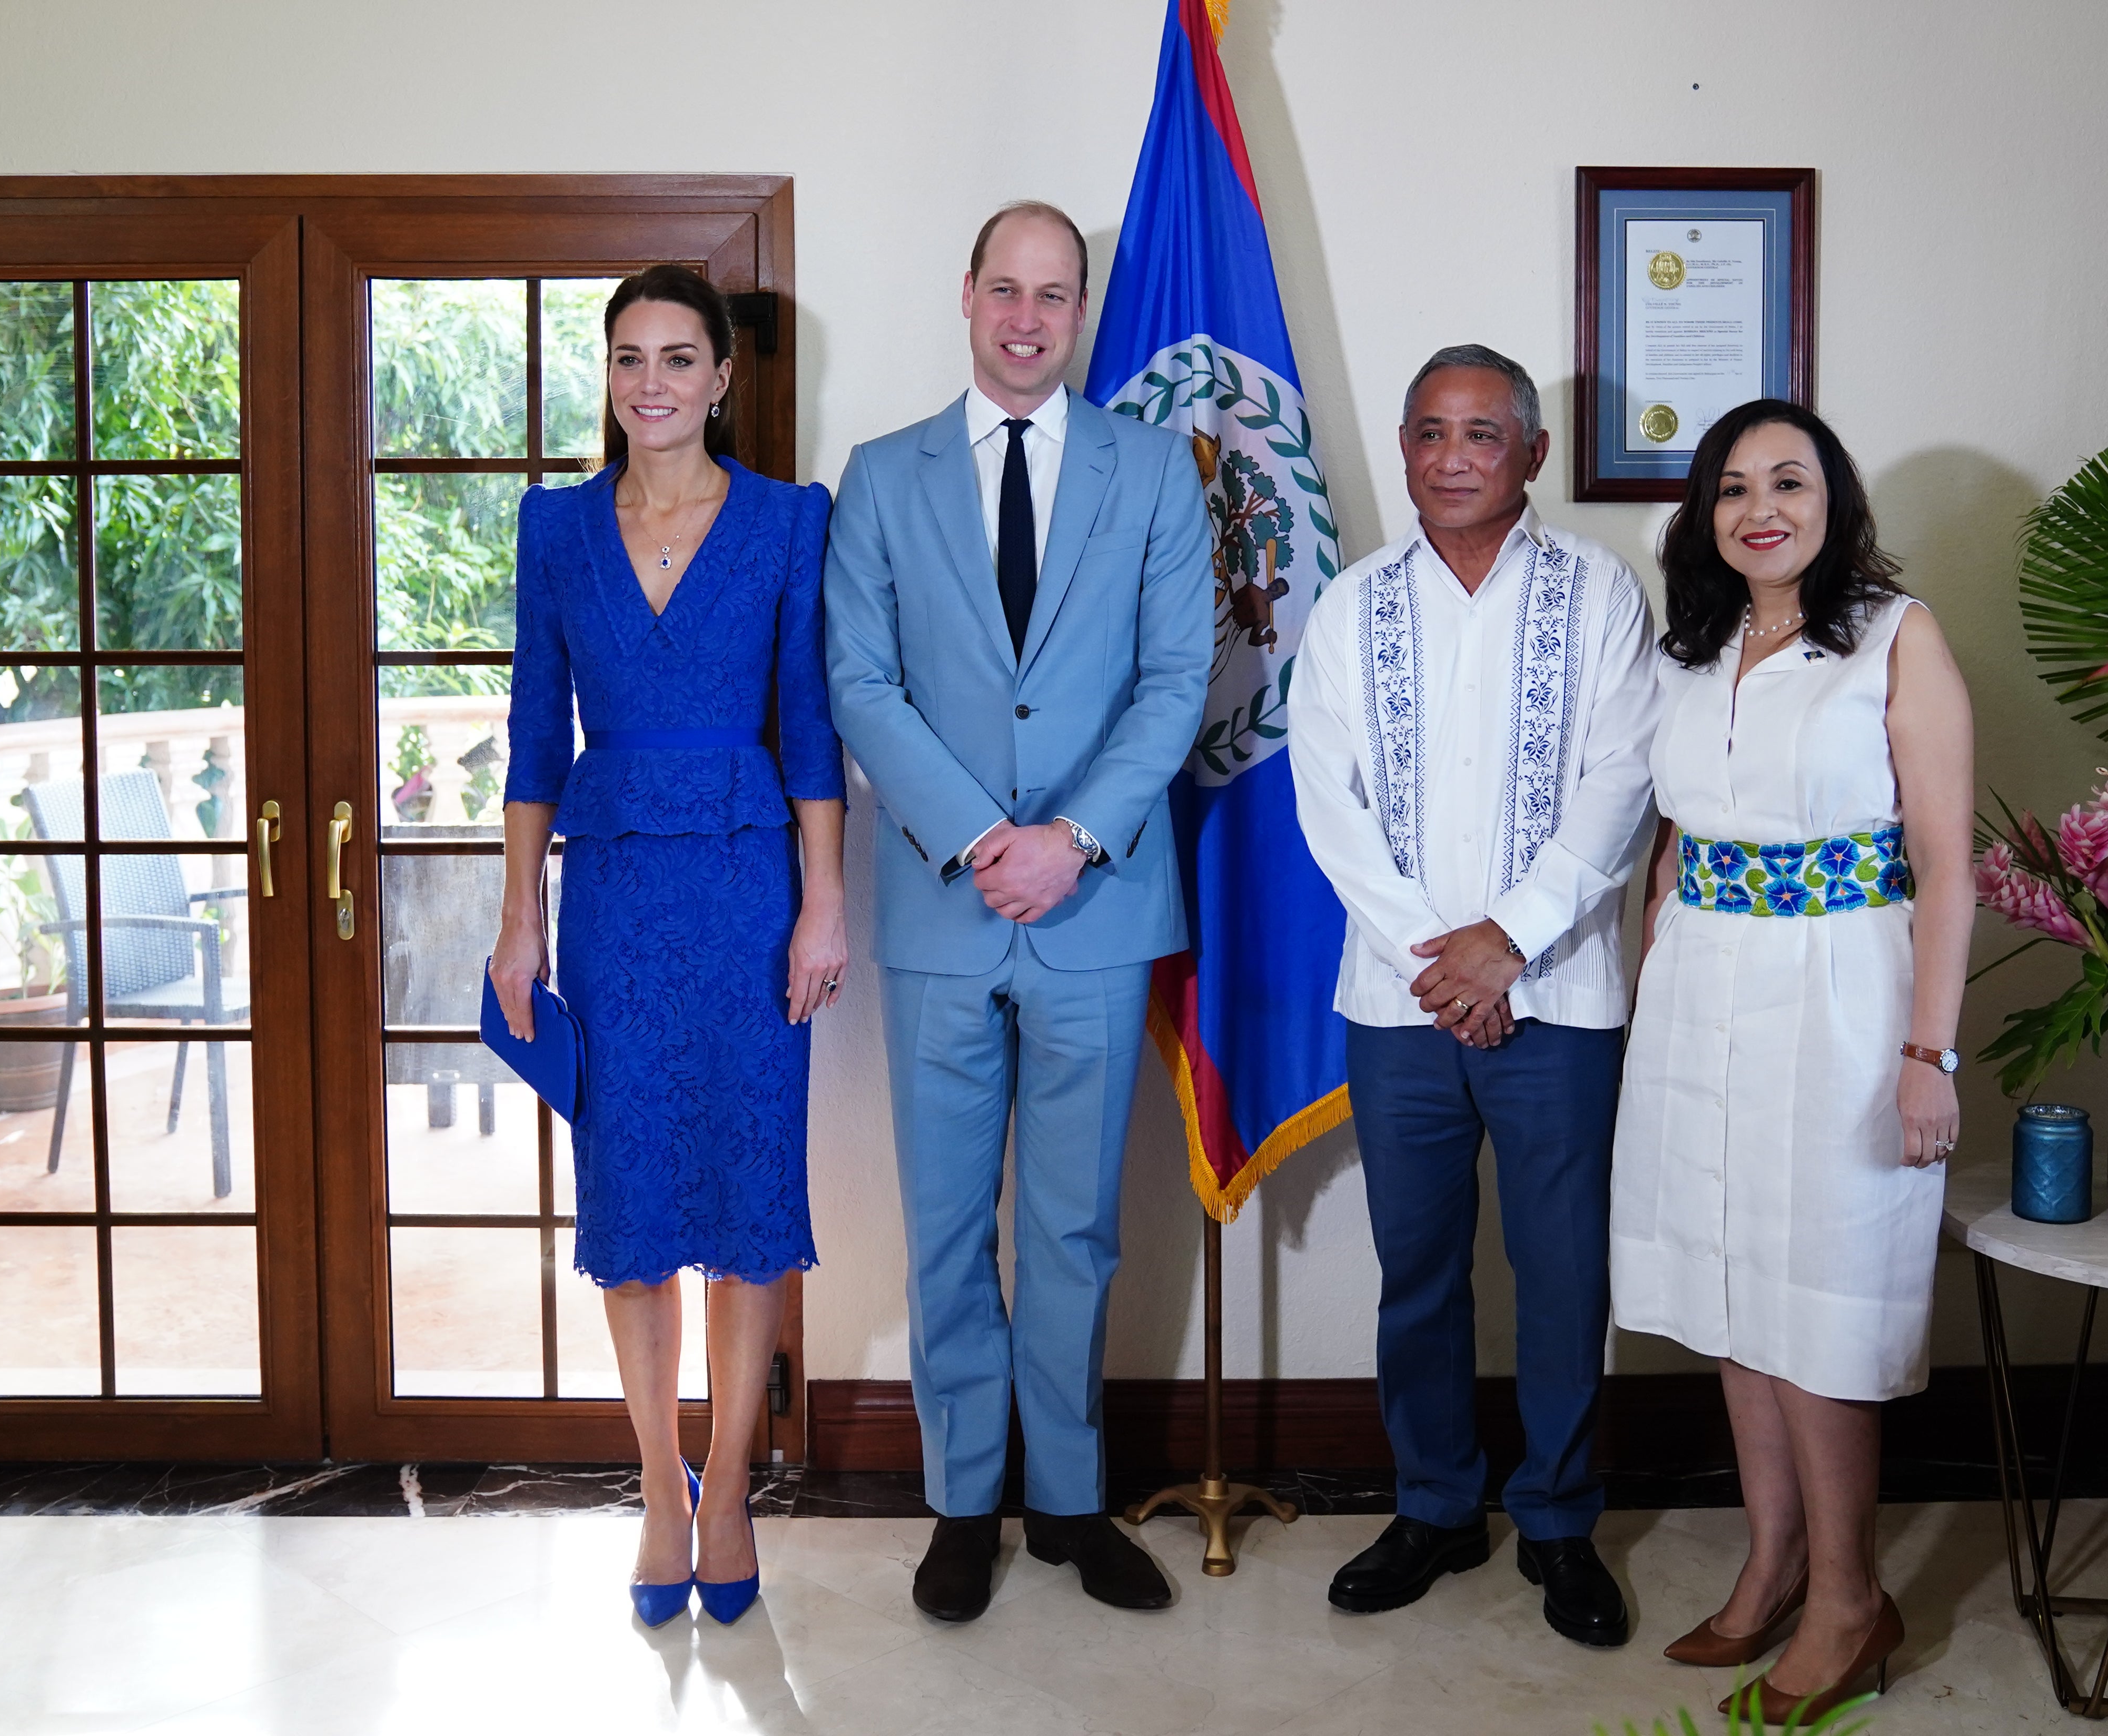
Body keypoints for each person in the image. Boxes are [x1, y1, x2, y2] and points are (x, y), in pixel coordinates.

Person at [820, 201, 1209, 1623]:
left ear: (1081, 309)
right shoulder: (880, 478)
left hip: (1096, 914)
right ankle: (961, 1505)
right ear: (967, 295)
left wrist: (1076, 839)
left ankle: (1069, 1502)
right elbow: (860, 682)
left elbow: (1178, 680)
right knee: (942, 1230)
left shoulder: (1158, 473)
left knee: (1072, 1231)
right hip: (941, 913)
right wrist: (989, 837)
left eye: (1056, 294)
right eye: (1007, 288)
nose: (1029, 318)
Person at [491, 265, 848, 1629]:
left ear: (721, 378)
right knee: (634, 1199)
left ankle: (730, 1491)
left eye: (679, 357)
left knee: (752, 1196)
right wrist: (521, 914)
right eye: (630, 358)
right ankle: (655, 1485)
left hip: (753, 890)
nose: (653, 382)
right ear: (613, 377)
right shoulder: (556, 528)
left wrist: (824, 900)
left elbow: (810, 728)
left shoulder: (784, 522)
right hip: (618, 901)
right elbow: (534, 738)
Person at [1288, 344, 1661, 1648]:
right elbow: (1325, 806)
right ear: (1403, 450)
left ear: (1533, 455)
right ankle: (1437, 1505)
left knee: (1561, 1272)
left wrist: (1507, 942)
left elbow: (1623, 783)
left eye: (1483, 434)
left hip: (1559, 997)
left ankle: (1559, 1521)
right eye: (1431, 433)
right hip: (1400, 1008)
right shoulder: (1350, 607)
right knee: (1419, 1272)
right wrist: (1439, 964)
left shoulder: (1603, 596)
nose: (1453, 457)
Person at [1610, 399, 1974, 1723]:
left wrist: (1928, 1050)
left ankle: (1849, 1602)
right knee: (1731, 1281)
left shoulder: (1894, 637)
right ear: (1706, 516)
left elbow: (1946, 862)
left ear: (1835, 501)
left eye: (1790, 481)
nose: (1762, 506)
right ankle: (1770, 1567)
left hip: (1843, 990)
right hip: (1705, 984)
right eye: (1733, 488)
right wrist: (1659, 934)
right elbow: (1673, 826)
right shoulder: (1692, 650)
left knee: (1817, 1297)